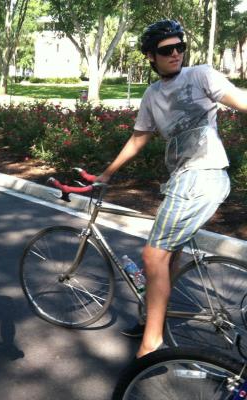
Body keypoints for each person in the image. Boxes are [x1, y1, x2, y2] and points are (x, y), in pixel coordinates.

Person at [97, 19, 247, 358]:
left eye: (180, 47)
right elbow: (138, 138)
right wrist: (106, 174)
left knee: (153, 256)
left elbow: (240, 99)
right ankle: (154, 317)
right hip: (182, 179)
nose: (176, 53)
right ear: (151, 56)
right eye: (167, 50)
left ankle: (151, 345)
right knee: (169, 255)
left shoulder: (201, 75)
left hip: (202, 175)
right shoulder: (152, 95)